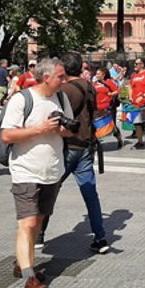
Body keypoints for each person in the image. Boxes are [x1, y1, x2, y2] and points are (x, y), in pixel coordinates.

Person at [0, 58, 74, 288]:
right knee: (28, 223)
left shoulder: (62, 99)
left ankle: (23, 263)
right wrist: (40, 129)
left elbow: (69, 131)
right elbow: (7, 134)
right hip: (26, 170)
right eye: (61, 77)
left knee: (38, 221)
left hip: (52, 169)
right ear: (46, 78)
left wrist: (63, 130)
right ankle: (30, 281)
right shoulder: (22, 99)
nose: (65, 80)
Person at [38, 53, 109, 255]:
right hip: (86, 145)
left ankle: (39, 234)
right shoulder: (89, 86)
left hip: (68, 146)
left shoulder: (66, 90)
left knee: (49, 190)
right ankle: (100, 236)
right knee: (90, 194)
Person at [93, 65, 122, 148]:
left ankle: (119, 140)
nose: (96, 75)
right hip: (97, 108)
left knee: (112, 125)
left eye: (98, 74)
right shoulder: (94, 83)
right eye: (96, 74)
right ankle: (96, 142)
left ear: (104, 74)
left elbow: (118, 90)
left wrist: (110, 94)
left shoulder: (109, 82)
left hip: (108, 107)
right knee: (96, 125)